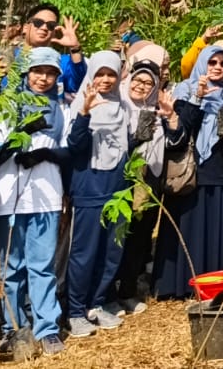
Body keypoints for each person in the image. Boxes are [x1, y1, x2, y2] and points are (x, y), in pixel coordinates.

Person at [0, 47, 68, 356]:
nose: (43, 78)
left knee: (42, 266)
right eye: (37, 72)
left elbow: (68, 150)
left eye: (50, 73)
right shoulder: (3, 106)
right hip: (6, 199)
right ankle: (14, 327)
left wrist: (46, 154)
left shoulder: (61, 109)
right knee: (12, 267)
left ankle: (47, 329)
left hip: (46, 199)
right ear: (25, 73)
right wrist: (21, 133)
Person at [159, 43, 223, 299]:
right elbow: (182, 130)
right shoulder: (185, 89)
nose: (218, 67)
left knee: (219, 224)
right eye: (212, 62)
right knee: (190, 225)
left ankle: (219, 282)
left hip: (219, 169)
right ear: (202, 63)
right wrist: (198, 96)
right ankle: (184, 284)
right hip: (191, 169)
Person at [64, 52, 139, 337]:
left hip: (118, 189)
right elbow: (74, 146)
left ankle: (96, 303)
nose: (106, 80)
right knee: (84, 253)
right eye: (100, 74)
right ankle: (75, 310)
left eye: (111, 74)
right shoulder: (80, 105)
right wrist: (84, 113)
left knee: (111, 252)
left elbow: (129, 146)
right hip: (89, 187)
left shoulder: (123, 107)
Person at [110, 45, 184, 314]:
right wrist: (135, 140)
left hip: (149, 180)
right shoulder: (117, 105)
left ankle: (128, 290)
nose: (141, 86)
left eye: (148, 83)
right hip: (118, 179)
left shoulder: (156, 109)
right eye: (138, 80)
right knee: (116, 235)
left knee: (140, 236)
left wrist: (170, 118)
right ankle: (107, 291)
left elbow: (175, 143)